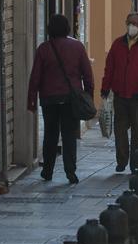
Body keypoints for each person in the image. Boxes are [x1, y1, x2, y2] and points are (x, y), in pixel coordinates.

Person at [28, 14, 94, 184]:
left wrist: (31, 99)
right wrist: (88, 94)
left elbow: (35, 76)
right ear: (67, 28)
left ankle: (47, 170)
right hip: (70, 98)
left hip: (49, 98)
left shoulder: (43, 49)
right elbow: (87, 74)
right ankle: (70, 171)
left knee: (50, 135)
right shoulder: (77, 47)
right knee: (69, 135)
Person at [101, 12, 138, 173]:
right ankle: (121, 160)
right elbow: (110, 68)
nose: (131, 26)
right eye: (129, 22)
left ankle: (136, 162)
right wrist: (106, 87)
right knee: (120, 131)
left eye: (134, 23)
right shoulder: (117, 44)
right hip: (120, 95)